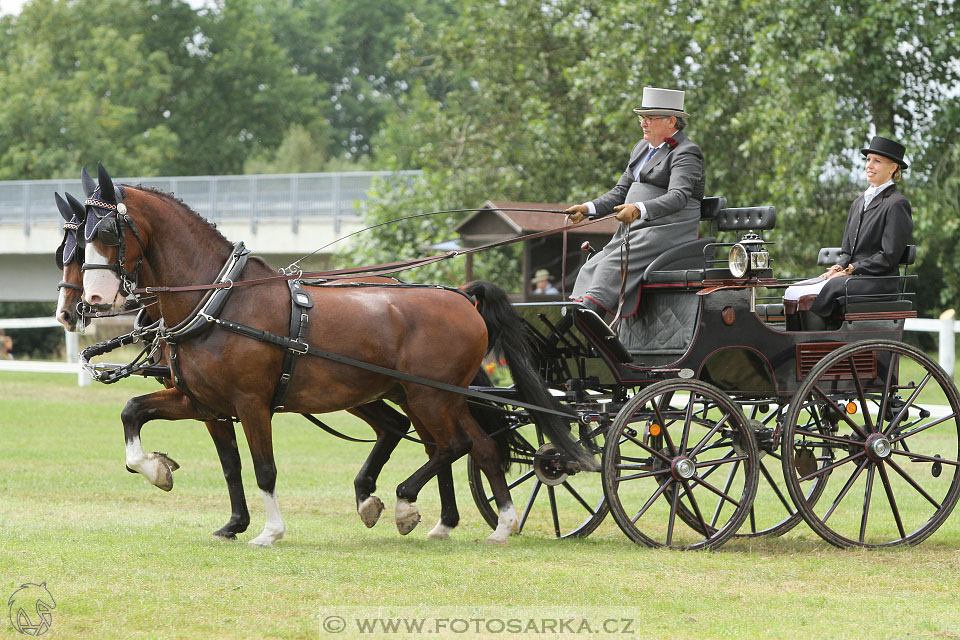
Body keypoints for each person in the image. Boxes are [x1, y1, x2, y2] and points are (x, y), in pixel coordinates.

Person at [566, 87, 705, 318]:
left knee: (609, 267)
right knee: (591, 266)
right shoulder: (641, 148)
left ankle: (589, 323)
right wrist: (589, 208)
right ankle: (575, 323)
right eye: (642, 118)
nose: (643, 123)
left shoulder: (686, 152)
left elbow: (679, 196)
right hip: (635, 231)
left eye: (650, 118)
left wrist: (639, 209)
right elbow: (621, 191)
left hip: (668, 230)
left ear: (671, 121)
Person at [783, 135, 913, 330]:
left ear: (893, 167)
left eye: (877, 161)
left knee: (830, 288)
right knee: (793, 291)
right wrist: (837, 268)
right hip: (853, 277)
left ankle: (818, 347)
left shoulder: (896, 204)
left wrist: (851, 269)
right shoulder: (858, 203)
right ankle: (798, 349)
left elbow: (889, 256)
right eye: (868, 159)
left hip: (878, 282)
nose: (869, 165)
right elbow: (847, 252)